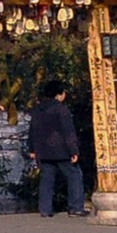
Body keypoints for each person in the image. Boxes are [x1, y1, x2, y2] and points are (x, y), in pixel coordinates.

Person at [26, 79, 88, 218]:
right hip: (62, 150)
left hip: (43, 150)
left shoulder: (38, 109)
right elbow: (68, 131)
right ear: (59, 94)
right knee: (74, 175)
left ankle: (45, 209)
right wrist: (74, 150)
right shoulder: (61, 109)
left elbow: (32, 130)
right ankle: (75, 207)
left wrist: (32, 148)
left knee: (46, 179)